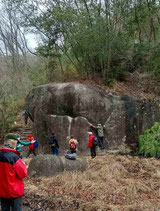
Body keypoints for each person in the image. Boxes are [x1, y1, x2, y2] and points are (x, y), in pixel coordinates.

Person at [0, 134, 27, 211]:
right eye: (16, 142)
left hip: (2, 191)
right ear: (13, 143)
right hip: (15, 192)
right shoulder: (14, 158)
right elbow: (23, 173)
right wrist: (23, 164)